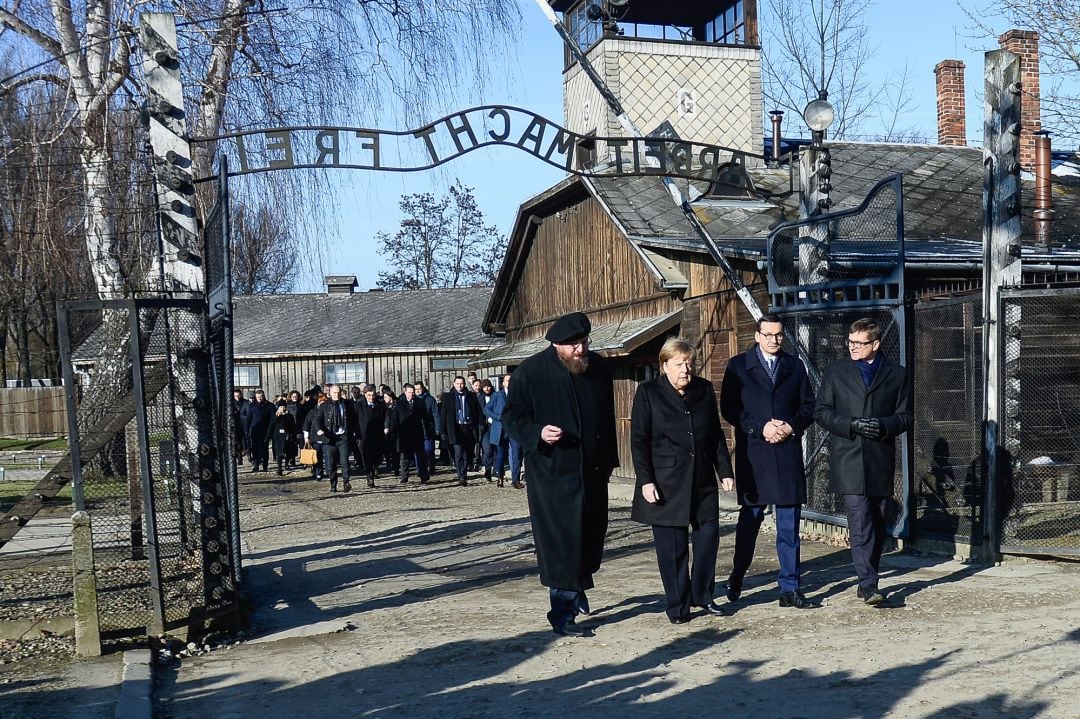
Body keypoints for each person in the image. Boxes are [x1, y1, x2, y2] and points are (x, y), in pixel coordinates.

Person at [502, 312, 618, 637]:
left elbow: (607, 418)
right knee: (561, 544)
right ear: (557, 345)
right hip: (552, 473)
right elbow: (511, 417)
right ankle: (562, 614)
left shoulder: (599, 369)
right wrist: (537, 433)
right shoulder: (530, 373)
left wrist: (609, 461)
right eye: (574, 345)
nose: (581, 350)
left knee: (591, 538)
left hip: (593, 471)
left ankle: (577, 588)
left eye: (584, 342)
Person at [631, 337, 735, 624]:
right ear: (664, 366)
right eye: (679, 365)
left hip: (702, 481)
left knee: (708, 540)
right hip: (665, 484)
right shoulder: (648, 393)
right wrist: (645, 480)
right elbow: (639, 442)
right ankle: (678, 605)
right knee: (673, 550)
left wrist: (724, 470)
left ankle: (703, 594)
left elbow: (715, 433)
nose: (685, 371)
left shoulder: (702, 389)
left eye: (689, 364)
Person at [720, 314, 816, 609]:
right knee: (749, 524)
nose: (774, 340)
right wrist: (760, 427)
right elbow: (729, 407)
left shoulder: (794, 365)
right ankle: (737, 577)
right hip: (755, 455)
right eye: (769, 335)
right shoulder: (738, 366)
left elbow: (809, 406)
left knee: (789, 527)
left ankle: (790, 588)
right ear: (757, 336)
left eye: (779, 336)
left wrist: (789, 426)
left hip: (786, 454)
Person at [814, 318, 913, 605]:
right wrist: (851, 424)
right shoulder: (836, 371)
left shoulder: (897, 374)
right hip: (849, 456)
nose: (853, 347)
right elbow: (821, 412)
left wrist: (884, 425)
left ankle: (869, 574)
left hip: (879, 458)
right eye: (850, 342)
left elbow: (906, 416)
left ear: (876, 344)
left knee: (879, 519)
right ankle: (868, 583)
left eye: (859, 343)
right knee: (860, 520)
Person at [385, 383, 435, 484]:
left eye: (413, 393)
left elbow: (425, 417)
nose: (412, 394)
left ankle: (423, 475)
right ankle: (404, 476)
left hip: (417, 433)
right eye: (410, 392)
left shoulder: (420, 402)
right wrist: (393, 431)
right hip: (404, 434)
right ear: (405, 392)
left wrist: (428, 430)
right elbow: (395, 419)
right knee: (405, 456)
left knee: (420, 455)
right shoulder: (400, 404)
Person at [440, 376, 483, 486]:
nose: (460, 386)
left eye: (462, 383)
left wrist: (479, 426)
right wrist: (442, 431)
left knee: (467, 453)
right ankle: (462, 476)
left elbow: (477, 413)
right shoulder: (448, 397)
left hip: (468, 428)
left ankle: (464, 470)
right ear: (454, 384)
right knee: (458, 452)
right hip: (455, 428)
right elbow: (444, 415)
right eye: (458, 383)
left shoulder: (471, 396)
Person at [315, 384, 355, 493]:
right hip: (329, 438)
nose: (336, 395)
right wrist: (319, 430)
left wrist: (356, 434)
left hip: (343, 437)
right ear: (330, 393)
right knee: (330, 463)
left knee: (344, 460)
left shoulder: (346, 404)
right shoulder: (324, 406)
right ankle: (333, 484)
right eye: (334, 393)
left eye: (338, 393)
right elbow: (317, 419)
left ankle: (346, 481)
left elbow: (353, 420)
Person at [356, 387, 387, 487]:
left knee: (377, 457)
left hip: (378, 435)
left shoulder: (380, 405)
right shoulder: (359, 406)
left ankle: (374, 468)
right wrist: (356, 434)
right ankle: (370, 477)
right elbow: (355, 421)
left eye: (373, 395)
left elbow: (385, 417)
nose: (371, 397)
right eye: (369, 395)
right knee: (367, 457)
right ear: (365, 394)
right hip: (364, 436)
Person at [245, 389, 276, 473]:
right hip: (255, 430)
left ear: (264, 396)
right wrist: (246, 429)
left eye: (261, 396)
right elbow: (248, 419)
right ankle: (256, 464)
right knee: (254, 448)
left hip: (266, 430)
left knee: (264, 448)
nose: (260, 398)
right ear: (256, 397)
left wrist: (271, 430)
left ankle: (265, 465)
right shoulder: (252, 406)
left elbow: (273, 419)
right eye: (258, 397)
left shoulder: (270, 406)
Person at [414, 381, 440, 474]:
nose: (417, 391)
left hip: (428, 428)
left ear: (423, 388)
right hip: (416, 429)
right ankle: (420, 469)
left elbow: (435, 414)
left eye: (419, 389)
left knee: (429, 449)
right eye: (415, 389)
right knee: (418, 451)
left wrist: (437, 428)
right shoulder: (413, 400)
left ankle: (431, 466)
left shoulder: (430, 399)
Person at [303, 392, 328, 482]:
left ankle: (329, 471)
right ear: (318, 402)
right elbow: (306, 424)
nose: (323, 404)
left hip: (326, 438)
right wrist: (306, 437)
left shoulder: (329, 412)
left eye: (325, 402)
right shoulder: (312, 412)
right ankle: (318, 473)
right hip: (315, 438)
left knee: (328, 456)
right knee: (317, 457)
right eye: (321, 402)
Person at [478, 379, 498, 481]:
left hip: (495, 425)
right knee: (487, 449)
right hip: (485, 428)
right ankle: (488, 470)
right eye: (485, 386)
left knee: (496, 449)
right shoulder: (479, 399)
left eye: (489, 386)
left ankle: (497, 469)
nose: (487, 388)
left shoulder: (496, 396)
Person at [271, 399, 298, 476]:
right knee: (279, 454)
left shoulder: (290, 416)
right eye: (281, 407)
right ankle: (279, 468)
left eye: (284, 406)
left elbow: (293, 427)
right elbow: (271, 426)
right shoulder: (275, 416)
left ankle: (286, 463)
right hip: (278, 437)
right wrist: (267, 437)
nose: (282, 408)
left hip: (287, 436)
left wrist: (294, 436)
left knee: (288, 452)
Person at [231, 388, 249, 466]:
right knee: (236, 441)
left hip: (243, 424)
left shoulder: (245, 402)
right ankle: (238, 457)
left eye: (238, 396)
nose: (237, 397)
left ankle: (247, 454)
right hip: (235, 424)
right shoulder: (231, 403)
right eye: (236, 396)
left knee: (244, 441)